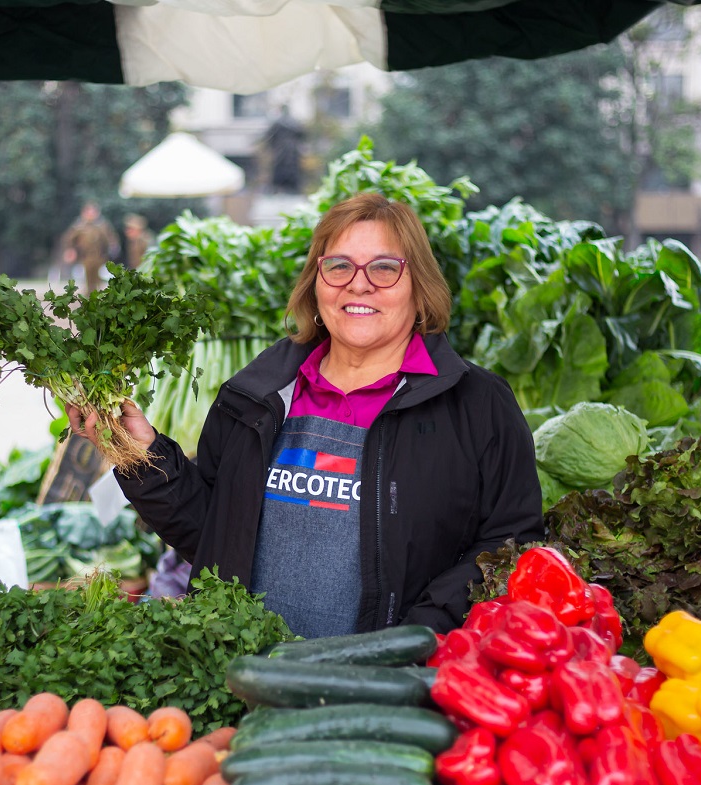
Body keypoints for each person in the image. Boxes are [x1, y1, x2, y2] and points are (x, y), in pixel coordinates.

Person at [67, 193, 544, 638]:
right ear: (316, 285)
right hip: (244, 678)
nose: (359, 283)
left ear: (419, 286)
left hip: (388, 696)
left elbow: (510, 542)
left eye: (384, 268)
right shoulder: (255, 394)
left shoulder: (477, 404)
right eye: (338, 266)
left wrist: (411, 641)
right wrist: (142, 453)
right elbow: (214, 537)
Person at [61, 201, 120, 294]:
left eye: (93, 212)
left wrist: (113, 248)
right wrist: (70, 250)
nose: (91, 215)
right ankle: (89, 296)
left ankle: (97, 296)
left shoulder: (102, 225)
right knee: (88, 279)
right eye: (88, 212)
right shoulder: (79, 226)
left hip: (100, 256)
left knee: (98, 279)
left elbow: (111, 238)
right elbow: (69, 239)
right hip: (85, 257)